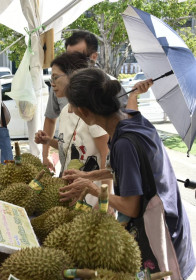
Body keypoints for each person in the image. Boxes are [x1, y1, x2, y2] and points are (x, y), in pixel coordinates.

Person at [60, 67, 195, 279]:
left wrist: (92, 189)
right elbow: (129, 169)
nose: (71, 111)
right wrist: (89, 176)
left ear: (85, 111)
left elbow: (131, 207)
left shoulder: (124, 143)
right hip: (173, 217)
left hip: (159, 233)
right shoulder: (132, 118)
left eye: (73, 107)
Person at [41, 31, 137, 171]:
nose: (71, 63)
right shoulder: (58, 89)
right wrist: (46, 152)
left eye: (78, 57)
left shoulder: (105, 87)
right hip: (74, 174)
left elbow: (107, 150)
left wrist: (100, 188)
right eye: (68, 57)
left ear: (93, 57)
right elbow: (53, 123)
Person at [35, 52, 109, 189]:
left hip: (93, 194)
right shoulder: (64, 112)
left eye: (55, 77)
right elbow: (71, 146)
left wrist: (106, 198)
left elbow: (107, 156)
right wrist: (48, 141)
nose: (52, 84)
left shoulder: (91, 112)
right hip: (73, 191)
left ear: (74, 76)